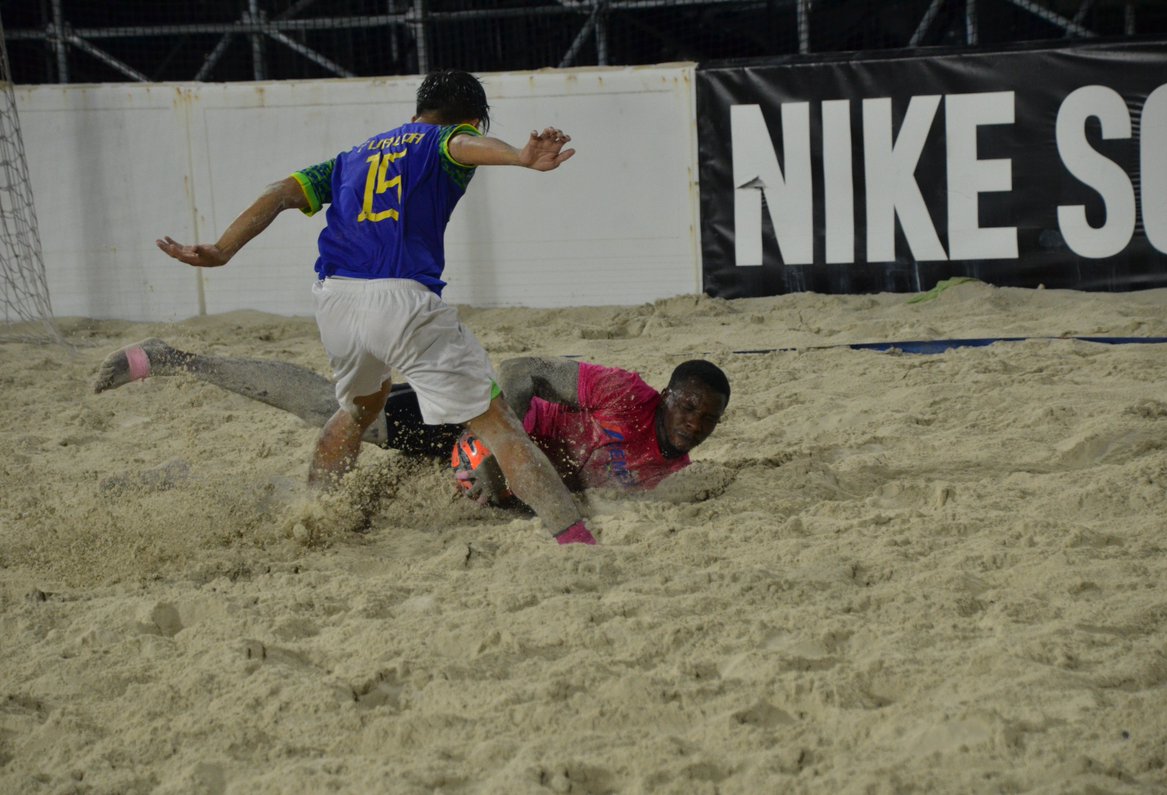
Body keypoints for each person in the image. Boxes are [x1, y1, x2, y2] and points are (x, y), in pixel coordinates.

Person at [153, 69, 596, 544]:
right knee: (500, 427)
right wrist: (518, 157)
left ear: (413, 114)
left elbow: (279, 193)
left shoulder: (352, 157)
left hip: (336, 302)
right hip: (403, 302)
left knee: (357, 412)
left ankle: (313, 519)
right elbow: (461, 145)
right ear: (474, 120)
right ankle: (576, 539)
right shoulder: (446, 139)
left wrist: (221, 250)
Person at [93, 340, 730, 508]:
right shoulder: (622, 391)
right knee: (335, 410)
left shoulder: (670, 474)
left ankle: (168, 488)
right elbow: (523, 367)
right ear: (666, 393)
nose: (694, 422)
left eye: (708, 418)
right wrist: (500, 440)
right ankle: (175, 359)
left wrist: (503, 480)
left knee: (344, 509)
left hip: (485, 474)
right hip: (477, 419)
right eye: (687, 404)